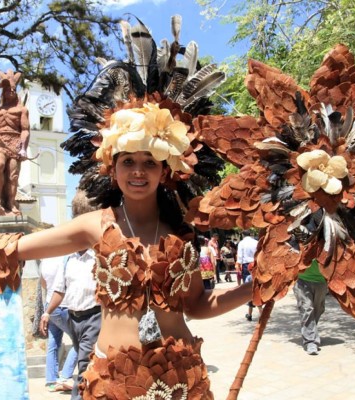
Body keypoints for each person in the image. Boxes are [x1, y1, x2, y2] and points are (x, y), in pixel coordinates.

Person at [16, 16, 252, 396]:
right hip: (113, 381)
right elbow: (14, 250)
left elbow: (197, 305)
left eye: (149, 162)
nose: (138, 171)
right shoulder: (96, 225)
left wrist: (258, 288)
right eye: (128, 161)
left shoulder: (180, 231)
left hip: (180, 380)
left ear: (167, 169)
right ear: (112, 167)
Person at [40, 190, 100, 399]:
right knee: (89, 362)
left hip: (94, 316)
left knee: (83, 363)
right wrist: (47, 312)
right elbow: (59, 290)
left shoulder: (100, 257)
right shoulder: (69, 259)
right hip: (73, 319)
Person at [0, 69, 30, 216]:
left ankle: (10, 202)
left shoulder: (22, 110)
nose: (11, 91)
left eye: (14, 89)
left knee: (13, 176)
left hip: (15, 143)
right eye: (8, 89)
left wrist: (23, 148)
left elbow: (25, 130)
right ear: (4, 91)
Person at [39, 256, 78, 392]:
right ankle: (65, 376)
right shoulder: (67, 258)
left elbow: (43, 284)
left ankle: (51, 380)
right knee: (79, 341)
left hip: (50, 305)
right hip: (63, 305)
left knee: (53, 343)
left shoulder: (44, 261)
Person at [293, 259, 328, 355]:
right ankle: (310, 342)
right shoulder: (298, 243)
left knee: (318, 309)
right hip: (302, 280)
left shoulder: (327, 244)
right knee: (307, 308)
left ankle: (311, 331)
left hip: (321, 281)